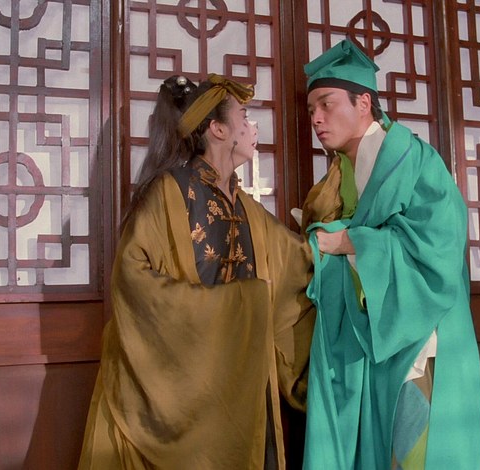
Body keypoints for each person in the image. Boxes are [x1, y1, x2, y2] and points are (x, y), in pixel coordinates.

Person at [78, 73, 315, 469]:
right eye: (244, 117)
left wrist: (350, 244)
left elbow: (300, 261)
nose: (253, 126)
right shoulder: (168, 192)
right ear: (218, 129)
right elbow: (133, 283)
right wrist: (240, 303)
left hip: (242, 382)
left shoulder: (247, 207)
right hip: (187, 383)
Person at [298, 39, 480, 469]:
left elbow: (440, 247)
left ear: (364, 102)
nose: (317, 118)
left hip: (423, 335)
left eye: (327, 104)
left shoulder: (413, 159)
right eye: (311, 110)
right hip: (379, 335)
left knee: (416, 455)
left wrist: (348, 242)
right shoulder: (342, 173)